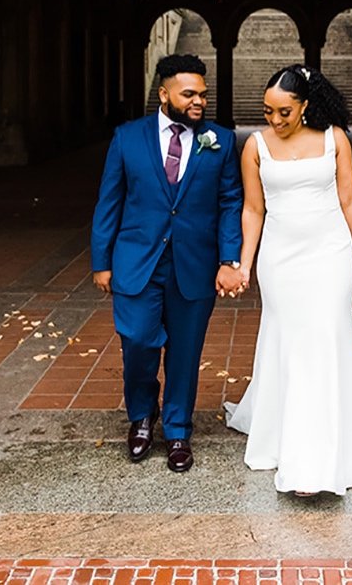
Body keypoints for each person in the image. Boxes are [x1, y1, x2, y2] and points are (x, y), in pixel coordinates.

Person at [225, 64, 352, 496]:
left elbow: (350, 199)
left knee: (325, 338)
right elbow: (253, 210)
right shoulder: (255, 146)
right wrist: (244, 263)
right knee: (290, 342)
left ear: (305, 106)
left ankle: (313, 463)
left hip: (330, 255)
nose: (275, 121)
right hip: (280, 260)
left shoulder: (333, 138)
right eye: (268, 112)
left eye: (284, 112)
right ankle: (290, 438)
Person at [91, 53, 244, 472]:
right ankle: (142, 415)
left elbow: (231, 202)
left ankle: (178, 430)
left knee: (185, 351)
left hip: (194, 264)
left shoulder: (222, 141)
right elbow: (110, 201)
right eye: (189, 94)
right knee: (137, 341)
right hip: (136, 262)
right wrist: (101, 261)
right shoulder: (127, 137)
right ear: (164, 93)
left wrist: (230, 258)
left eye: (203, 95)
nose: (198, 102)